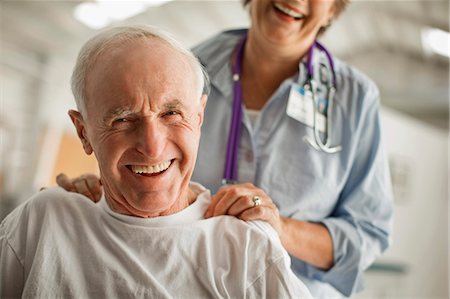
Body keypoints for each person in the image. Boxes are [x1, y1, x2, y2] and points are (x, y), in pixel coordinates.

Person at [57, 0, 394, 297]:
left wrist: (279, 228)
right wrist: (108, 190)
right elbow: (143, 152)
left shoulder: (355, 100)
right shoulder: (188, 67)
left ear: (334, 7)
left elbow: (367, 235)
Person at [0, 26, 313, 298]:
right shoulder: (42, 223)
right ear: (83, 132)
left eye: (172, 113)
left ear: (199, 116)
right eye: (122, 119)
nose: (152, 148)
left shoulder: (244, 246)